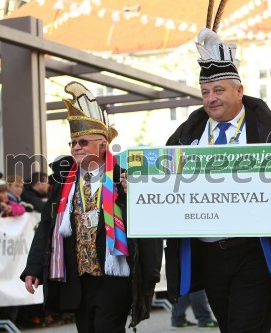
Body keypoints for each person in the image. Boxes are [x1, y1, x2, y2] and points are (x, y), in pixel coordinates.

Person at [163, 4, 271, 332]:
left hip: (253, 251)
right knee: (230, 327)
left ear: (239, 91)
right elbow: (163, 177)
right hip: (208, 255)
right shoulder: (186, 135)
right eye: (205, 92)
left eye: (219, 90)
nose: (211, 98)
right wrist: (139, 183)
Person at [20, 82, 163, 332]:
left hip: (114, 279)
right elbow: (46, 227)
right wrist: (33, 268)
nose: (76, 147)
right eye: (73, 143)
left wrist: (133, 198)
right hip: (77, 278)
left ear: (102, 146)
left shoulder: (125, 180)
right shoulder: (63, 185)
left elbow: (149, 229)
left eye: (83, 142)